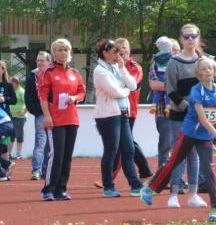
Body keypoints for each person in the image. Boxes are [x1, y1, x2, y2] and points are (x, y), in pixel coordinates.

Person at [141, 57, 216, 222]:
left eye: (210, 68)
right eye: (204, 69)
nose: (208, 71)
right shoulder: (196, 91)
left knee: (208, 170)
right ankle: (150, 188)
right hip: (189, 134)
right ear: (199, 75)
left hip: (205, 136)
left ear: (215, 70)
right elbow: (202, 119)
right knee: (173, 162)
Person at [94, 38, 152, 189]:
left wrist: (122, 69)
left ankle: (135, 184)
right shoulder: (100, 70)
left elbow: (132, 85)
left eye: (122, 50)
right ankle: (109, 184)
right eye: (116, 51)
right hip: (109, 115)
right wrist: (125, 91)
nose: (119, 54)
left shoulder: (124, 67)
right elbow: (115, 92)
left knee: (128, 149)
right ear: (105, 53)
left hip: (125, 113)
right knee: (112, 150)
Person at [163, 23, 209, 208]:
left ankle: (193, 195)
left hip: (199, 116)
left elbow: (209, 87)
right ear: (181, 39)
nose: (191, 39)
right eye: (187, 36)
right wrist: (186, 107)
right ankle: (174, 194)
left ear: (198, 38)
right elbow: (170, 89)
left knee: (194, 155)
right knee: (179, 154)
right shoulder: (174, 62)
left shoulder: (203, 61)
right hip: (180, 116)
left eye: (194, 36)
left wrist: (203, 109)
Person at [39, 38, 86, 201]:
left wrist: (74, 98)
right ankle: (48, 189)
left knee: (67, 156)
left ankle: (61, 189)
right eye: (60, 50)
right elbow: (43, 96)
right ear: (54, 53)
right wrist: (47, 116)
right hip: (55, 120)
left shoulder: (75, 73)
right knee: (56, 155)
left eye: (66, 49)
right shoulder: (48, 72)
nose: (63, 52)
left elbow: (82, 91)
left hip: (72, 119)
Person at [149, 36, 175, 170]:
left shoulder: (178, 63)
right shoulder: (155, 63)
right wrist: (173, 86)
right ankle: (163, 175)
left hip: (181, 110)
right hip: (162, 111)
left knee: (180, 146)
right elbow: (154, 85)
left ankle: (177, 177)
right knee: (165, 144)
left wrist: (166, 85)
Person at [25, 51, 51, 180]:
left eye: (42, 60)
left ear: (49, 62)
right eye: (38, 60)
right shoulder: (32, 76)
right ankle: (36, 170)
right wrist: (37, 111)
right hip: (40, 115)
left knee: (51, 144)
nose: (39, 62)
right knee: (41, 142)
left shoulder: (53, 74)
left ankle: (47, 170)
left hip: (54, 114)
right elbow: (28, 97)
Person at [8, 76, 26, 159]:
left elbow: (27, 103)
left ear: (16, 83)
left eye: (11, 82)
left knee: (19, 135)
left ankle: (19, 154)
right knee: (11, 135)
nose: (10, 84)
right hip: (11, 116)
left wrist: (24, 112)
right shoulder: (11, 91)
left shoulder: (21, 91)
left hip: (19, 117)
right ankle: (9, 154)